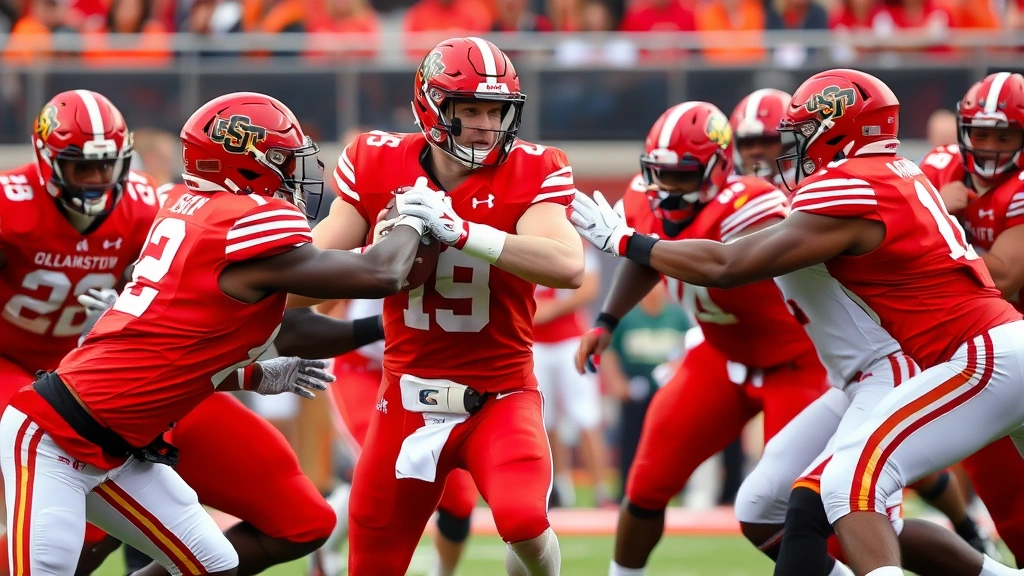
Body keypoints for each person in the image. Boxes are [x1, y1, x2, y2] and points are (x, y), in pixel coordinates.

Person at [570, 68, 1024, 576]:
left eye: (800, 135)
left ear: (840, 131)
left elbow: (727, 265)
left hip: (961, 356)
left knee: (847, 486)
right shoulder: (888, 173)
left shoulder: (848, 186)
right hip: (912, 363)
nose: (786, 152)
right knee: (762, 506)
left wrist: (626, 241)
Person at [0, 91, 427, 574]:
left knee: (215, 564)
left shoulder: (197, 210)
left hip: (119, 443)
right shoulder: (239, 219)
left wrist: (258, 374)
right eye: (284, 160)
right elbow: (381, 274)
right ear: (244, 165)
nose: (296, 173)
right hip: (57, 432)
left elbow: (278, 328)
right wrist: (414, 215)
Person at [307, 36, 584, 576]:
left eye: (496, 110)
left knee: (525, 522)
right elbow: (305, 274)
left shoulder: (535, 168)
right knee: (373, 562)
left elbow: (567, 266)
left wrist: (462, 232)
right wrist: (379, 253)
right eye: (470, 109)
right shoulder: (376, 160)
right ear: (432, 108)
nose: (485, 124)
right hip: (404, 399)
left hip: (501, 394)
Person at [574, 100, 829, 576]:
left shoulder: (753, 203)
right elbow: (648, 258)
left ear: (716, 168)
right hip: (718, 354)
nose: (666, 189)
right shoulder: (644, 196)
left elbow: (721, 267)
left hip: (798, 362)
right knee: (646, 482)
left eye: (682, 176)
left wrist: (630, 242)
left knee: (798, 506)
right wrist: (607, 320)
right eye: (658, 174)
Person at [918, 70, 1024, 563]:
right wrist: (939, 208)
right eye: (981, 133)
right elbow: (891, 240)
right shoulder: (938, 168)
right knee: (1007, 500)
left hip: (1009, 339)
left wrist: (941, 222)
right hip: (976, 351)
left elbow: (1002, 278)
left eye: (1005, 135)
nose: (990, 146)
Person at [312, 298, 480, 576]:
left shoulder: (465, 252)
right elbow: (320, 308)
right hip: (365, 367)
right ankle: (326, 545)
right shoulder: (365, 252)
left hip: (428, 376)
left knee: (459, 499)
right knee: (384, 472)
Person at [598, 284, 690, 501]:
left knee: (673, 440)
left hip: (668, 391)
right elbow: (610, 350)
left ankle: (675, 488)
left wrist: (679, 378)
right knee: (631, 440)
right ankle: (626, 490)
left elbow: (689, 349)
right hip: (634, 391)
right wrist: (617, 383)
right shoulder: (628, 317)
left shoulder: (677, 316)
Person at [533, 248, 609, 508]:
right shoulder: (526, 243)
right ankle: (558, 488)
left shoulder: (578, 247)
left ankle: (602, 490)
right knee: (545, 420)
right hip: (534, 343)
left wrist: (549, 310)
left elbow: (590, 289)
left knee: (586, 417)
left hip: (571, 341)